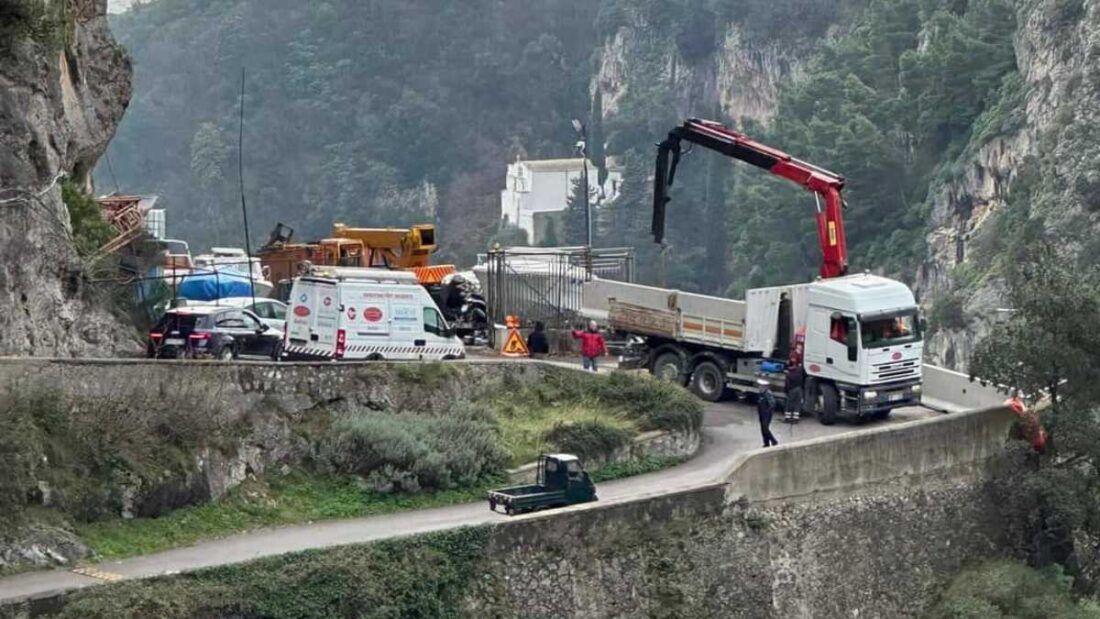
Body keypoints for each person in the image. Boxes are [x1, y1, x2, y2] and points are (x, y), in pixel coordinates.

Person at [757, 378, 779, 447]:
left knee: (765, 428)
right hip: (761, 413)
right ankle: (766, 443)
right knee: (762, 429)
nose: (759, 387)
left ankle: (773, 440)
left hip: (767, 413)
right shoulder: (761, 393)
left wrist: (768, 411)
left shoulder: (768, 393)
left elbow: (772, 404)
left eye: (761, 386)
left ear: (764, 386)